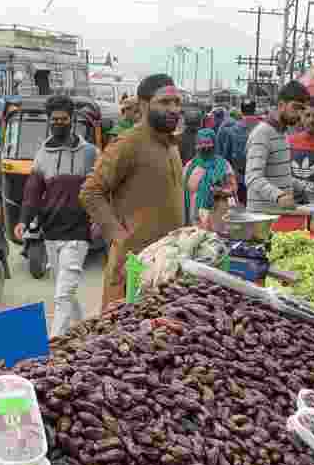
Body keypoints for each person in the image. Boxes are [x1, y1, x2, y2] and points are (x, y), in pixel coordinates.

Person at [80, 73, 185, 309]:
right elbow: (90, 192)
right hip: (134, 267)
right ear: (144, 105)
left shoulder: (171, 144)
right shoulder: (128, 143)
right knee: (127, 334)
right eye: (165, 102)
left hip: (166, 267)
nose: (174, 109)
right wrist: (119, 236)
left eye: (177, 102)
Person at [13, 95, 98, 338]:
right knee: (65, 292)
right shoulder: (42, 154)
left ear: (72, 121)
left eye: (64, 119)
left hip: (78, 232)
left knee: (62, 294)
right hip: (51, 231)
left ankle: (53, 344)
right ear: (49, 121)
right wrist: (23, 220)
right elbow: (32, 191)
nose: (59, 123)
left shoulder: (90, 153)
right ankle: (85, 333)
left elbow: (99, 189)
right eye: (54, 120)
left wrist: (99, 221)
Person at [244, 79, 310, 213]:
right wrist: (279, 196)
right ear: (281, 105)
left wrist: (306, 187)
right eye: (295, 107)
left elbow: (280, 176)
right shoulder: (262, 133)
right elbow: (252, 177)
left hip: (279, 214)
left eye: (302, 109)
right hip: (262, 217)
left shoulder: (283, 133)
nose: (299, 114)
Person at [183, 128, 237, 226]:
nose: (204, 146)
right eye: (200, 143)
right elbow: (184, 192)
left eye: (208, 142)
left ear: (214, 143)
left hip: (218, 213)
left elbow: (233, 188)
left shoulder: (223, 165)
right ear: (196, 145)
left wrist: (221, 191)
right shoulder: (190, 166)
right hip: (196, 216)